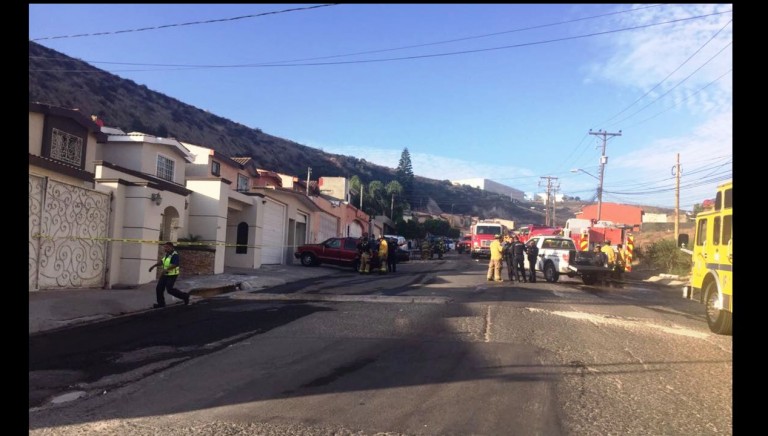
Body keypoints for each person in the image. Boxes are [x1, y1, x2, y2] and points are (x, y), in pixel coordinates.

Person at [149, 242, 190, 308]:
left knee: (169, 289)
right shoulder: (168, 254)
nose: (165, 248)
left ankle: (185, 296)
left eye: (167, 247)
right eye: (165, 247)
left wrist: (166, 270)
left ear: (171, 247)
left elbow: (175, 264)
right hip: (165, 274)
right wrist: (154, 266)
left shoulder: (175, 254)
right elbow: (162, 262)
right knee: (159, 288)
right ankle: (161, 304)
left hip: (172, 275)